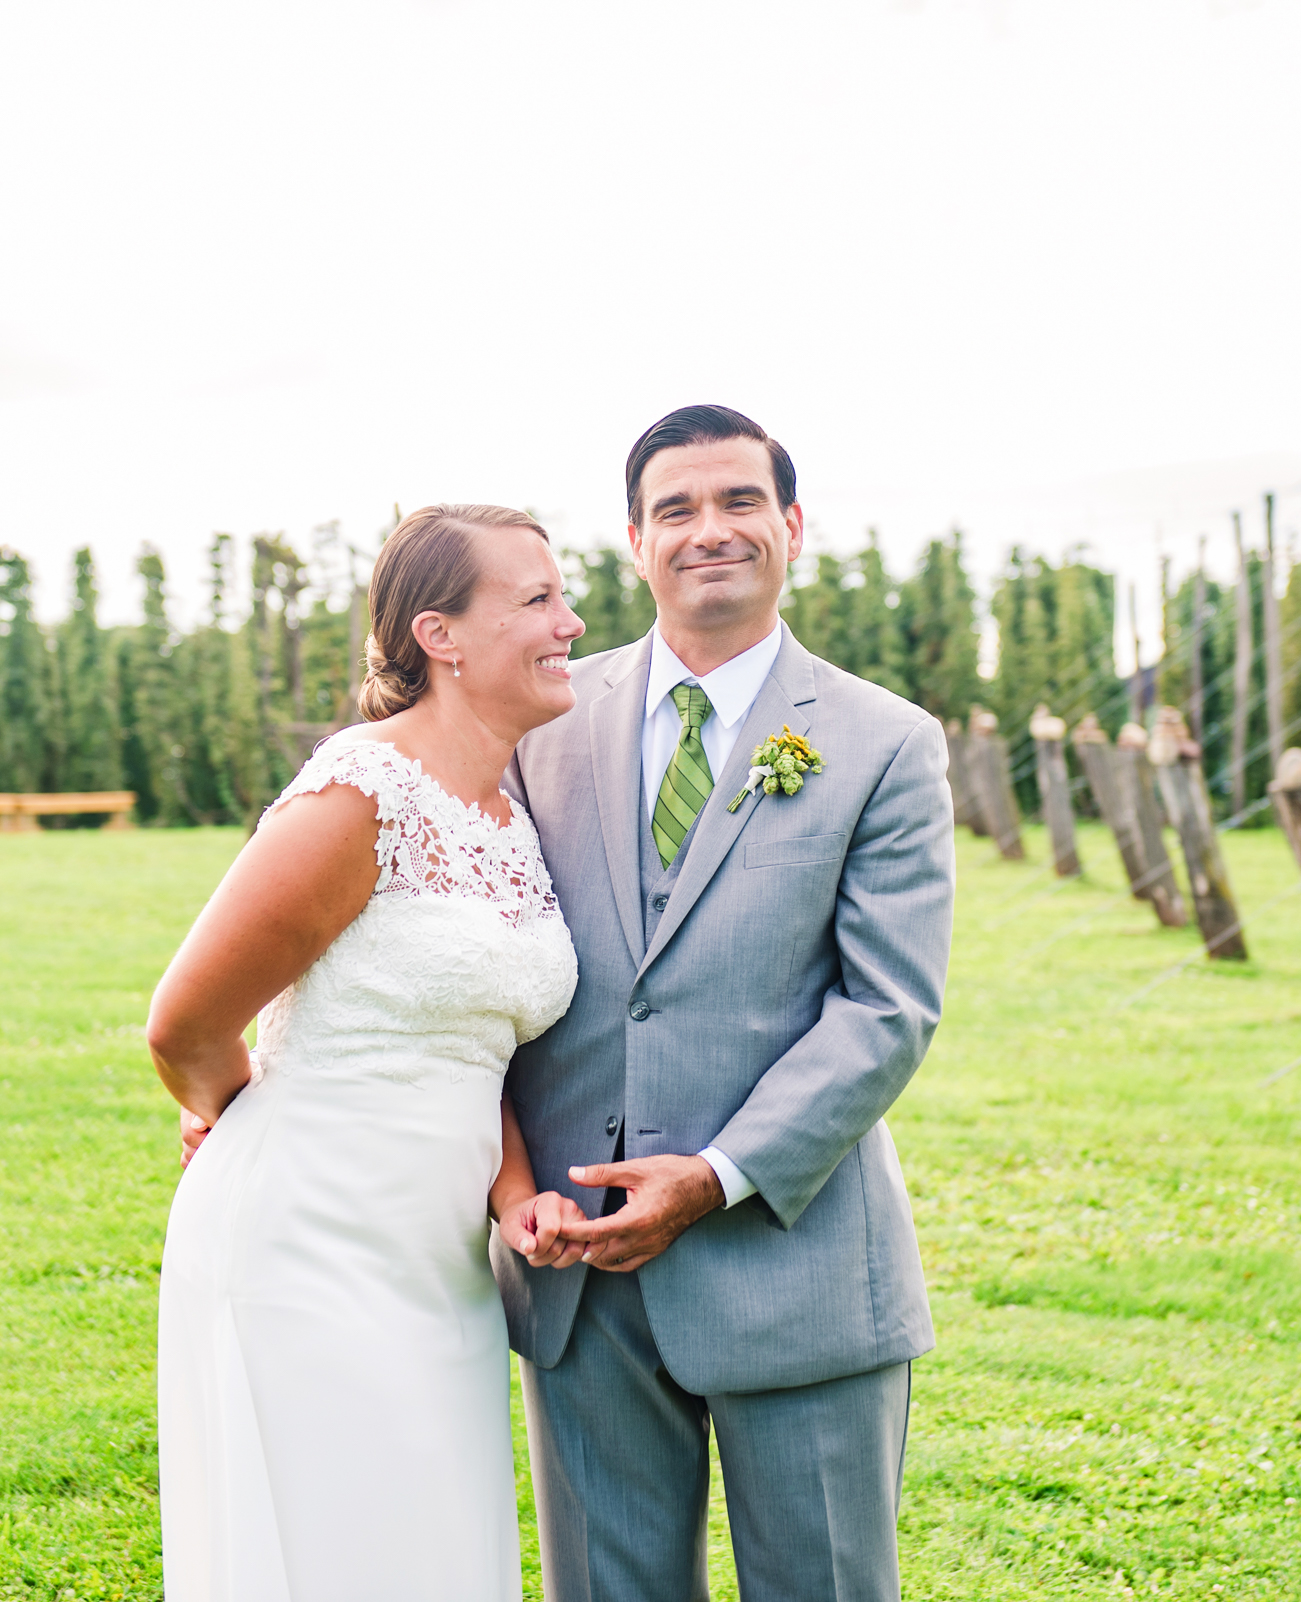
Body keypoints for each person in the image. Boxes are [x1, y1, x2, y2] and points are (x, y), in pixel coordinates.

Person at [498, 404, 955, 1602]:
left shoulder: (883, 743)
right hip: (578, 1277)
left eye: (741, 501)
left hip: (792, 1265)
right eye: (678, 509)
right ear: (636, 540)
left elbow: (887, 1010)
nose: (712, 530)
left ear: (792, 526)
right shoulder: (537, 724)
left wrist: (710, 1177)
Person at [149, 503, 593, 1601]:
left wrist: (516, 1195)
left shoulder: (507, 815)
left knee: (431, 1557)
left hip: (441, 1274)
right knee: (330, 1556)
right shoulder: (360, 793)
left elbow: (463, 1041)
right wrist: (238, 1119)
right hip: (304, 1250)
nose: (571, 623)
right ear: (440, 636)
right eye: (536, 599)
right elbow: (185, 1024)